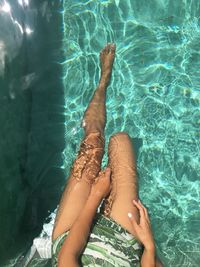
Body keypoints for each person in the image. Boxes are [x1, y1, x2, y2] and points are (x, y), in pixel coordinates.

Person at [52, 44, 163, 267]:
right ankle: (113, 196)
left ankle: (104, 79)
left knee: (93, 141)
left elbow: (68, 256)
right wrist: (149, 248)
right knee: (121, 141)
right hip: (122, 246)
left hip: (70, 238)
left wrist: (96, 195)